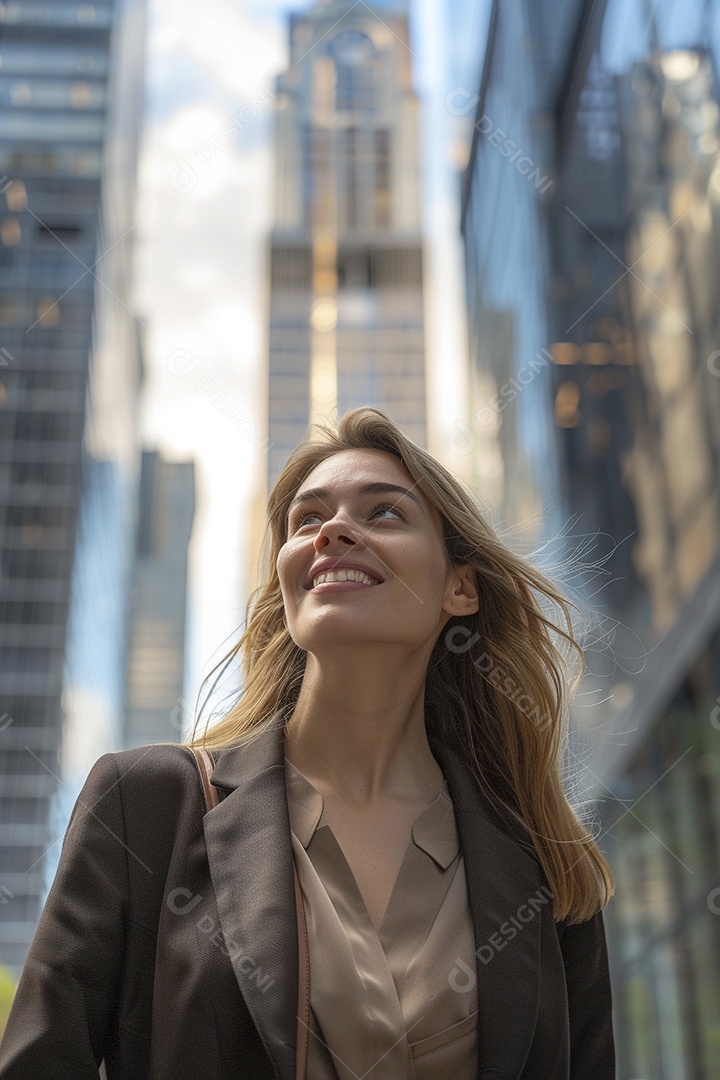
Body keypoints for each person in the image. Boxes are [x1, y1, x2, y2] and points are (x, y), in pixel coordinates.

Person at [0, 406, 615, 1079]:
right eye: (307, 519)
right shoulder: (146, 805)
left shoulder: (542, 868)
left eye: (384, 513)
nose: (332, 532)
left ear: (460, 587)